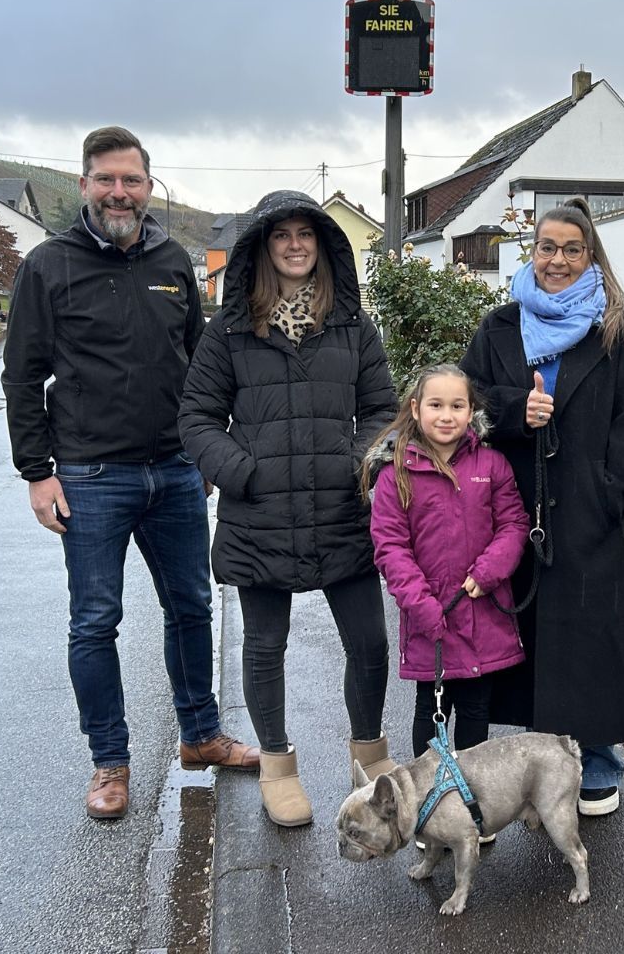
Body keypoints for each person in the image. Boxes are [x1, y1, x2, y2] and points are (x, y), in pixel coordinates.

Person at [2, 126, 260, 821]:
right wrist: (37, 472)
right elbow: (22, 375)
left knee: (193, 610)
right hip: (88, 476)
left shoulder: (172, 259)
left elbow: (199, 366)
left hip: (174, 471)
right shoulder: (48, 266)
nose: (121, 192)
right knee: (95, 622)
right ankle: (109, 764)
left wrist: (205, 449)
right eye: (107, 179)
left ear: (150, 187)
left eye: (133, 180)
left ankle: (200, 736)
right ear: (84, 184)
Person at [178, 189, 397, 827]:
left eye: (307, 234)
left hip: (340, 510)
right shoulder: (230, 334)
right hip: (261, 516)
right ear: (263, 248)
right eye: (282, 236)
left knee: (370, 644)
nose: (296, 245)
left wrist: (359, 463)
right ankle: (277, 765)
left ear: (325, 248)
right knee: (263, 646)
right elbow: (197, 418)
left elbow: (383, 410)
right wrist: (240, 473)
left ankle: (370, 761)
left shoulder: (353, 327)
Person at [460, 199, 624, 816]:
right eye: (547, 247)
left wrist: (610, 492)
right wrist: (515, 410)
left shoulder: (618, 331)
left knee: (588, 637)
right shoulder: (499, 327)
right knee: (520, 636)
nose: (558, 260)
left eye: (573, 248)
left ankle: (597, 761)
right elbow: (462, 403)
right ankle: (533, 765)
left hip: (587, 511)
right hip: (507, 509)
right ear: (533, 253)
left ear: (591, 255)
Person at [364, 365, 529, 767]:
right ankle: (430, 800)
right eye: (436, 405)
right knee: (431, 710)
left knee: (475, 711)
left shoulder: (492, 465)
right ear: (417, 409)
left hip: (482, 610)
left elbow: (514, 524)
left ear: (471, 410)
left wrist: (489, 571)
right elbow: (390, 546)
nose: (446, 415)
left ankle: (472, 801)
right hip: (428, 618)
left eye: (457, 405)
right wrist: (419, 604)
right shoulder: (396, 472)